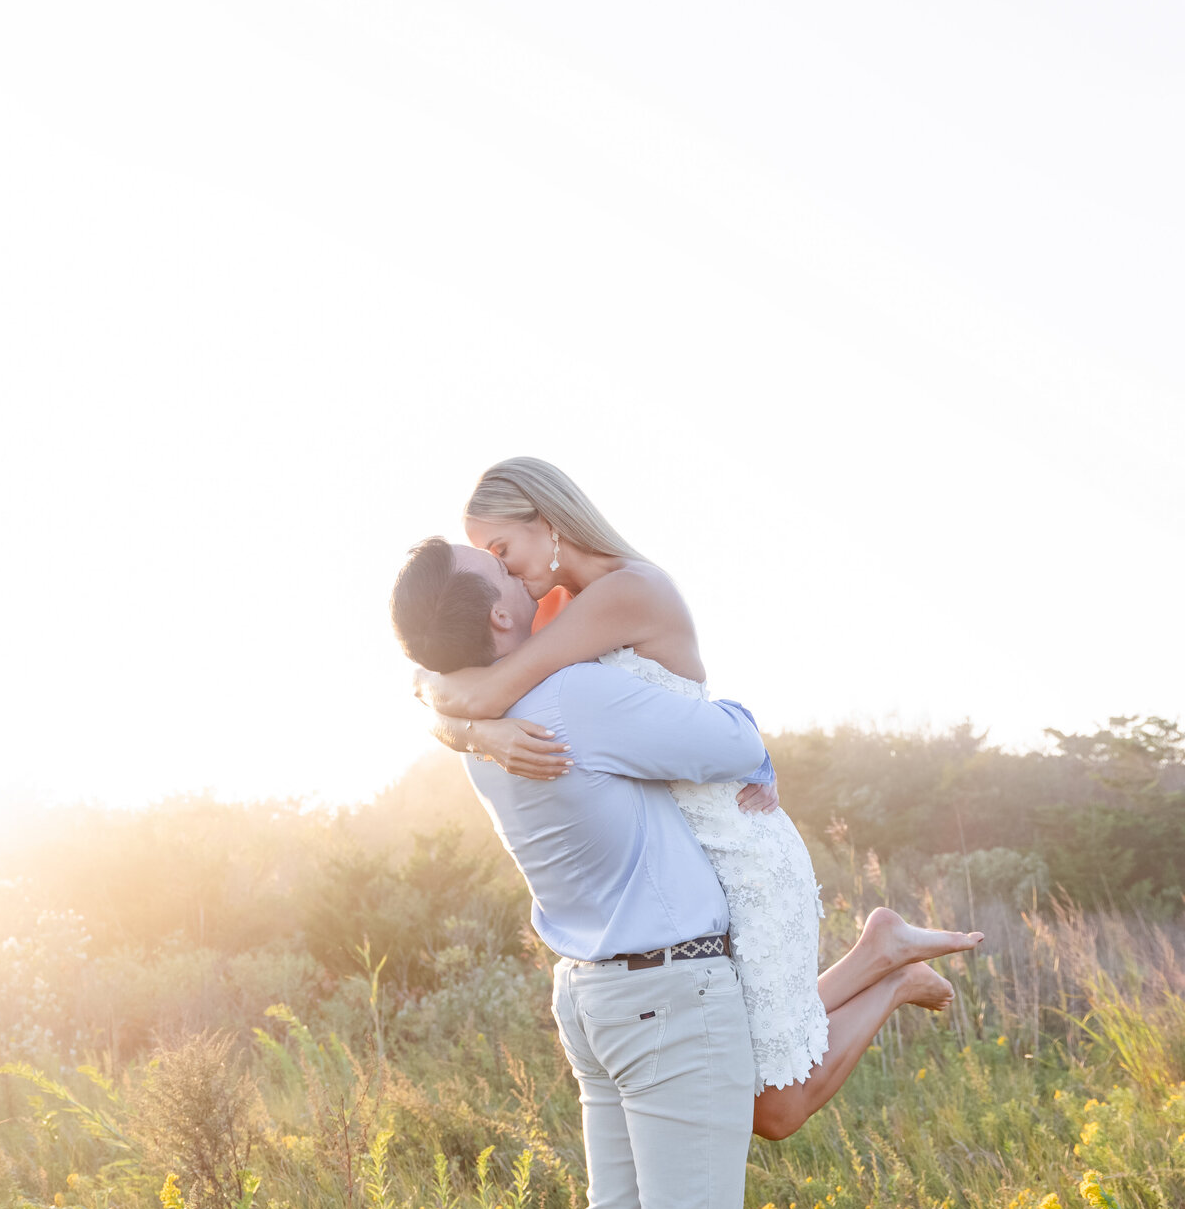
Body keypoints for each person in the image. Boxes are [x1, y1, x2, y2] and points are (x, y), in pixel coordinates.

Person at [390, 534, 967, 1209]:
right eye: (503, 583)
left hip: (595, 996)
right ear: (493, 620)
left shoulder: (475, 706)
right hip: (667, 994)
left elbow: (425, 688)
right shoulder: (565, 699)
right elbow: (731, 740)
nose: (523, 583)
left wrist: (458, 723)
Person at [411, 457, 983, 1140]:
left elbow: (471, 687)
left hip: (739, 841)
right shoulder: (556, 605)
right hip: (692, 854)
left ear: (548, 518)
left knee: (774, 1108)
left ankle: (890, 980)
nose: (502, 574)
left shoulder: (626, 592)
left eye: (502, 550)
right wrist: (467, 725)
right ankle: (878, 953)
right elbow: (434, 676)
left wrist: (471, 727)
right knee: (736, 1053)